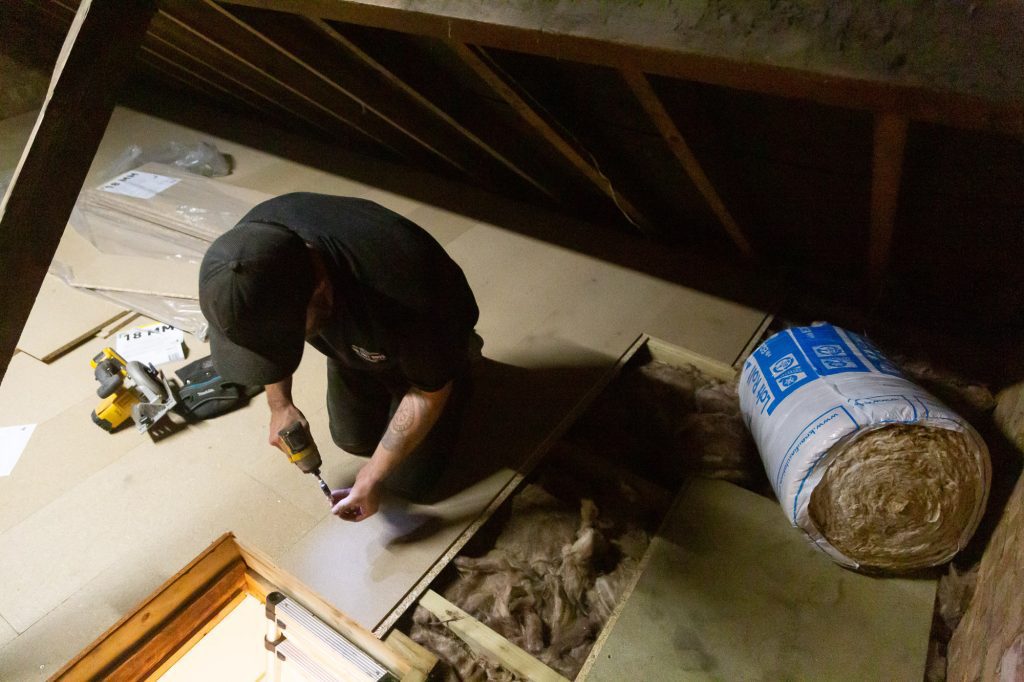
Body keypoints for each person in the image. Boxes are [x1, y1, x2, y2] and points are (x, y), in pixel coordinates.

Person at [198, 193, 479, 522]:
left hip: (430, 341)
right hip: (358, 336)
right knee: (351, 439)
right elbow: (266, 333)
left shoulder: (407, 293)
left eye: (289, 335)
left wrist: (372, 475)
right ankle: (364, 356)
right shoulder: (251, 250)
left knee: (408, 483)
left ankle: (461, 368)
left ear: (319, 288)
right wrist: (280, 405)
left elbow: (428, 394)